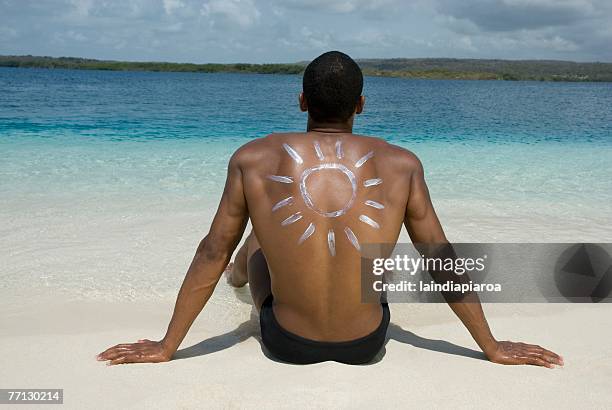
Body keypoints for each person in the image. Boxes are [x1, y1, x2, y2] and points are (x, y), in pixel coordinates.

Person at [97, 51, 563, 367]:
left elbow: (210, 250)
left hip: (287, 343)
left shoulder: (252, 158)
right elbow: (440, 258)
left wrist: (166, 346)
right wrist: (492, 346)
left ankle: (240, 277)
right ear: (361, 105)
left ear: (301, 101)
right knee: (368, 259)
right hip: (366, 344)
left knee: (257, 237)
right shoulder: (402, 164)